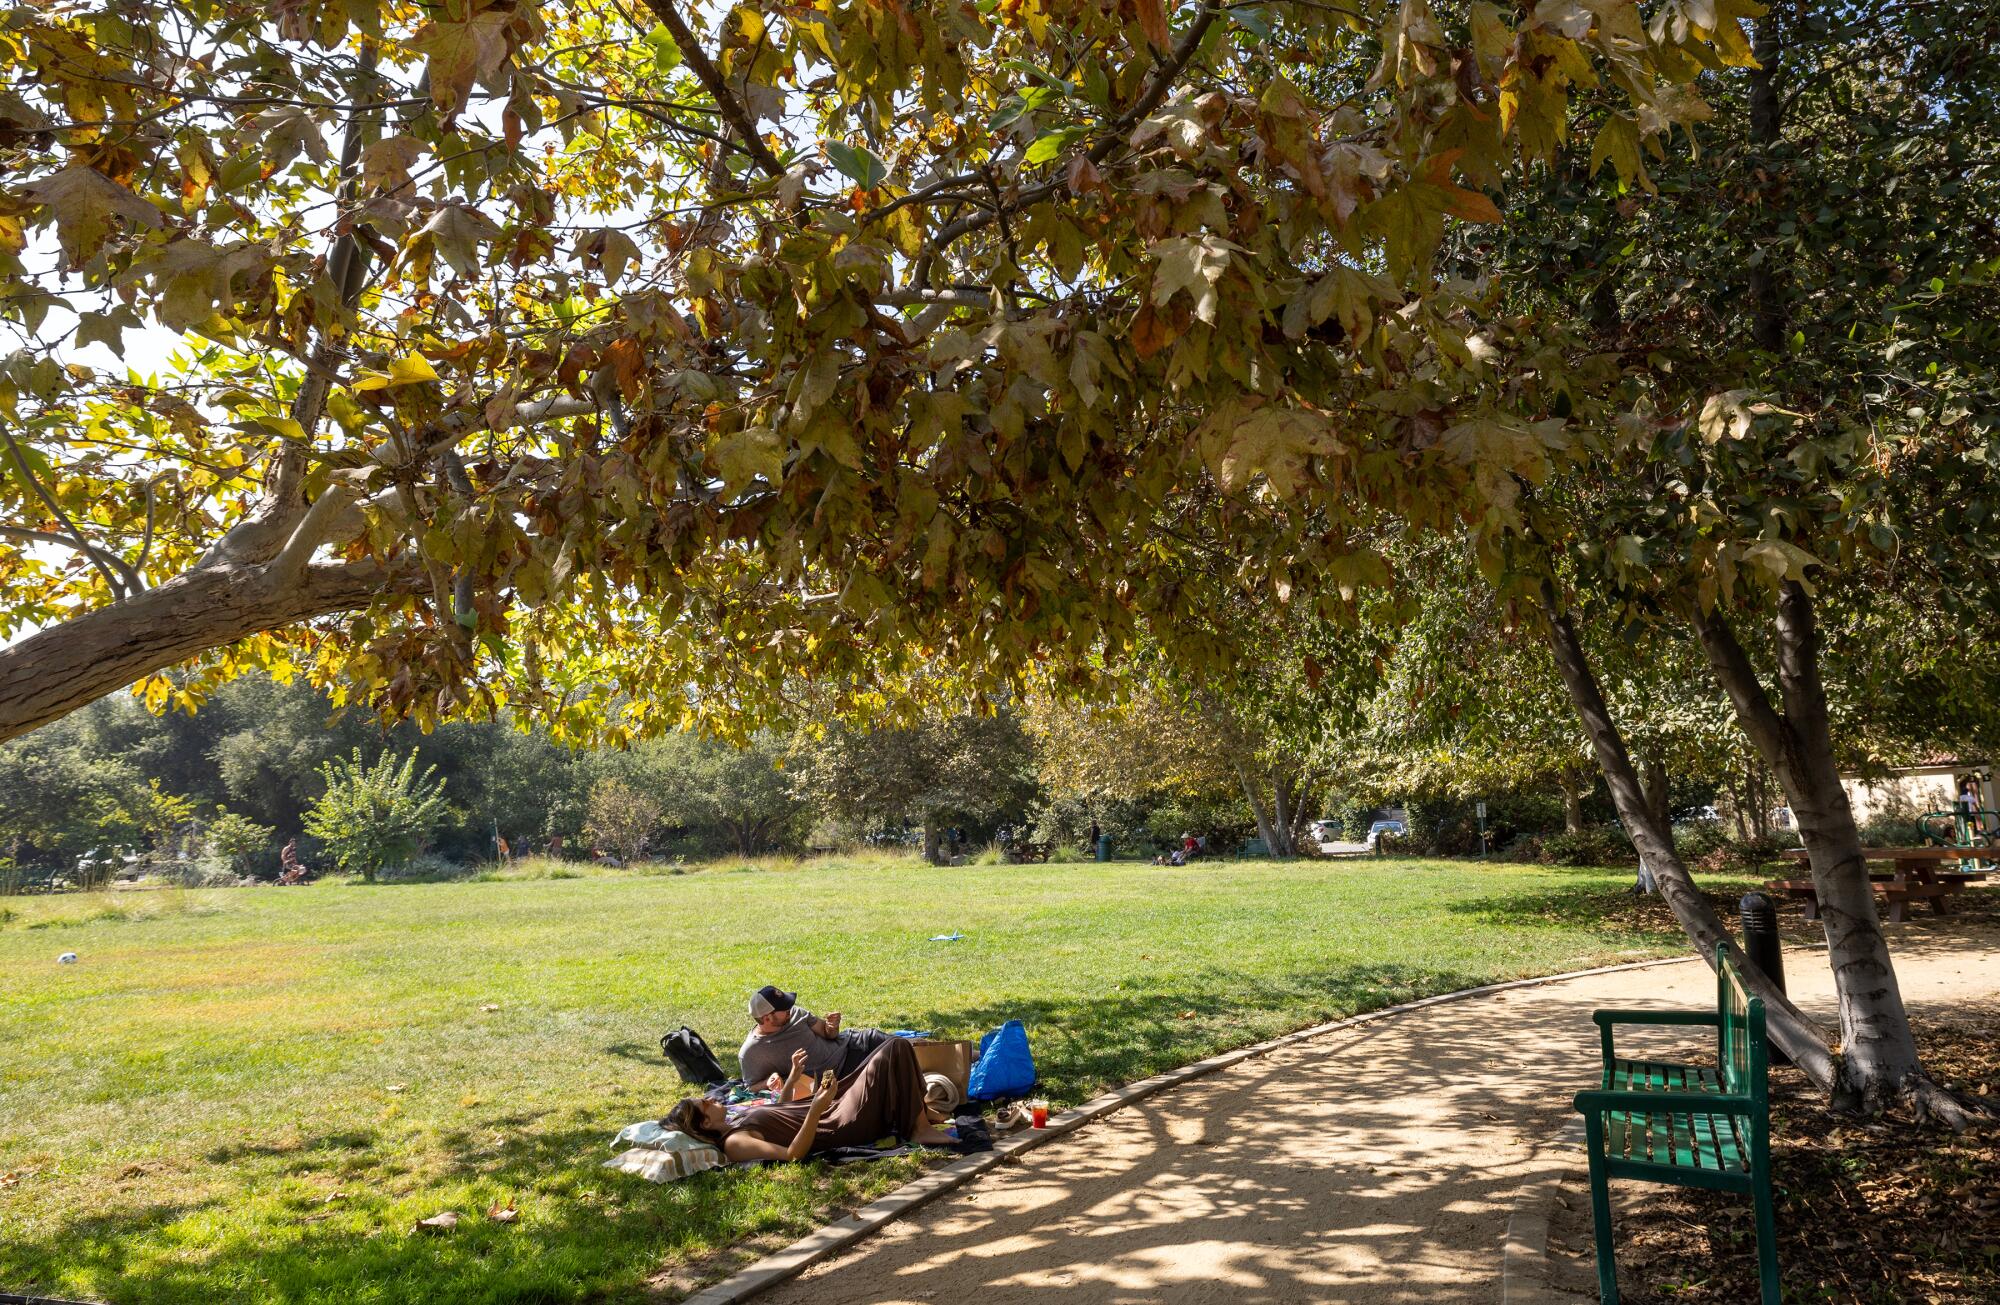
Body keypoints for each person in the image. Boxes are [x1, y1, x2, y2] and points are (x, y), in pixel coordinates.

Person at [666, 1037, 956, 1162]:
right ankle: (919, 1128)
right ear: (705, 1121)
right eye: (706, 1103)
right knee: (894, 1047)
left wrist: (792, 1078)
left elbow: (778, 1114)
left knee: (882, 1056)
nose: (712, 1100)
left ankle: (919, 1113)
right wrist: (816, 1108)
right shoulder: (734, 1143)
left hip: (828, 1108)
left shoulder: (735, 1122)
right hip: (837, 1122)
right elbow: (792, 1154)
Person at [738, 984, 895, 1085]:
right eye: (784, 1009)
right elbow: (751, 1087)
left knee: (903, 1046)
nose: (789, 1010)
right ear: (767, 1018)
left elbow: (829, 1034)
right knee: (893, 1072)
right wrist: (769, 1082)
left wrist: (832, 1027)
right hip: (835, 1077)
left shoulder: (796, 1013)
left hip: (852, 1045)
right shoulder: (752, 1051)